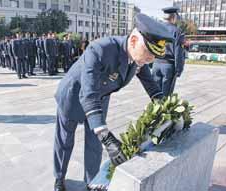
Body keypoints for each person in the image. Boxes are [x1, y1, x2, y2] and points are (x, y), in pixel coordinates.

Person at [52, 13, 174, 191]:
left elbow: (152, 86)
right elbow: (88, 94)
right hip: (74, 95)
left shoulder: (137, 58)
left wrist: (165, 108)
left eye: (154, 56)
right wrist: (107, 137)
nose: (150, 60)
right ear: (133, 41)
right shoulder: (100, 49)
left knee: (94, 145)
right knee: (65, 141)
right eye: (148, 53)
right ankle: (59, 178)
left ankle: (92, 182)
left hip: (100, 98)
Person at [152, 6, 185, 96]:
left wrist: (150, 64)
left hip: (156, 64)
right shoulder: (177, 31)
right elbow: (178, 52)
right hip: (168, 66)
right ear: (174, 17)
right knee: (166, 96)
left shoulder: (155, 29)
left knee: (155, 94)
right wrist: (179, 69)